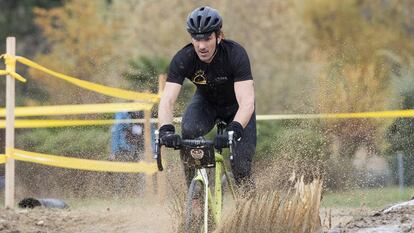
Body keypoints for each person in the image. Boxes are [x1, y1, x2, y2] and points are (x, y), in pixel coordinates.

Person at [157, 6, 256, 194]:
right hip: (206, 104)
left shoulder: (236, 54)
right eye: (197, 38)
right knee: (189, 130)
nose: (202, 46)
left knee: (242, 166)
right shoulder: (184, 58)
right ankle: (195, 197)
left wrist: (234, 129)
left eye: (207, 38)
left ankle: (249, 208)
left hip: (238, 109)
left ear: (219, 36)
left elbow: (247, 102)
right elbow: (167, 100)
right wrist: (165, 129)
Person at [110, 111, 152, 197]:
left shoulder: (146, 112)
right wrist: (114, 151)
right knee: (122, 174)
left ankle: (140, 195)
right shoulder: (123, 114)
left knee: (141, 173)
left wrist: (152, 150)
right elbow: (116, 132)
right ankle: (119, 194)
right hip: (125, 148)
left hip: (140, 148)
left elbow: (151, 131)